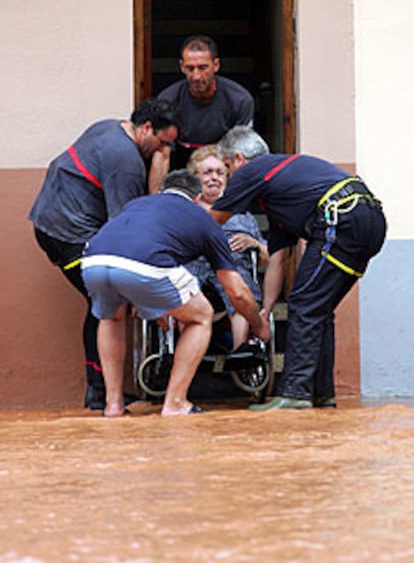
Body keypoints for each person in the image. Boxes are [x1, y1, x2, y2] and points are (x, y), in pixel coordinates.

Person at [210, 126, 387, 410]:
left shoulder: (251, 171)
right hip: (368, 220)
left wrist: (178, 239)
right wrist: (266, 310)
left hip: (341, 217)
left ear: (239, 158)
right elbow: (279, 258)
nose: (230, 175)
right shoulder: (281, 191)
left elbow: (213, 221)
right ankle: (321, 393)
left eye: (227, 167)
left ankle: (295, 392)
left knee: (305, 303)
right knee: (318, 307)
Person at [29, 98, 181, 410]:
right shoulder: (125, 160)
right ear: (147, 128)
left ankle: (99, 391)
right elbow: (128, 228)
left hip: (50, 225)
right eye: (162, 144)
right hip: (69, 234)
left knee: (104, 303)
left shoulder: (109, 126)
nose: (163, 152)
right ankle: (99, 393)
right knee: (110, 305)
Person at [80, 169, 270, 417]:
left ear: (161, 191)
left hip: (93, 260)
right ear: (197, 198)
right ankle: (176, 402)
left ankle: (113, 405)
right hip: (145, 265)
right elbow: (237, 292)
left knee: (111, 318)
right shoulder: (203, 219)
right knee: (201, 315)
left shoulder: (138, 204)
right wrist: (258, 325)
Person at [186, 145, 269, 349]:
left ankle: (240, 352)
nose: (214, 177)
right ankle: (184, 351)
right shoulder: (184, 210)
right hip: (193, 267)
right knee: (182, 287)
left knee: (241, 287)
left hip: (233, 267)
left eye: (219, 172)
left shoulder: (242, 214)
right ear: (195, 178)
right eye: (207, 173)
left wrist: (256, 244)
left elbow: (268, 256)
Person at [148, 35, 254, 194]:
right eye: (190, 68)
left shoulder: (239, 100)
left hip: (222, 168)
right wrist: (156, 201)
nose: (196, 76)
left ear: (216, 65)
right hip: (181, 168)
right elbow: (162, 153)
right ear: (182, 67)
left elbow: (241, 155)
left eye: (203, 68)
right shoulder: (168, 99)